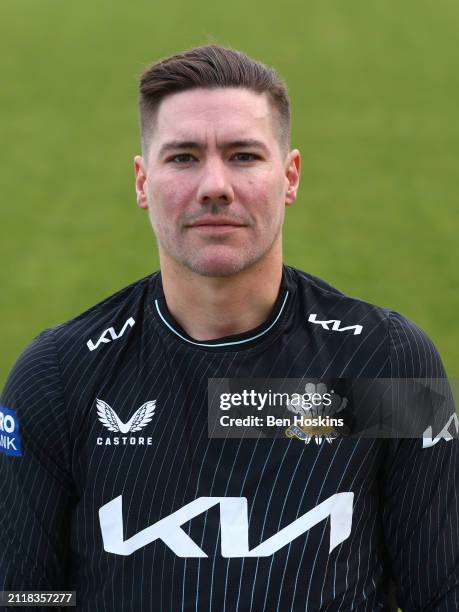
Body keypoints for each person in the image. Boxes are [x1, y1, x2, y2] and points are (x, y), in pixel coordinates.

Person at [0, 44, 457, 612]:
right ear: (143, 182)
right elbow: (24, 596)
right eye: (183, 157)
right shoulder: (58, 376)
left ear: (289, 177)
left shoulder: (386, 364)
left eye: (243, 156)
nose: (215, 184)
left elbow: (441, 592)